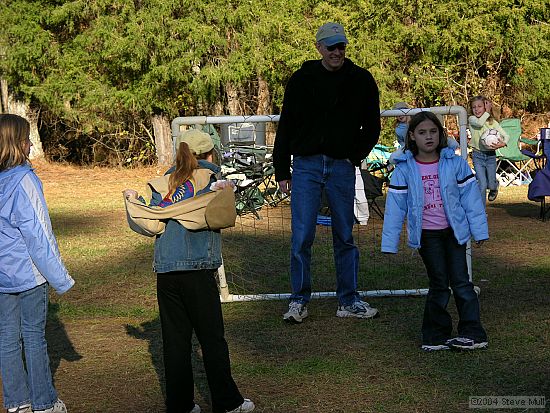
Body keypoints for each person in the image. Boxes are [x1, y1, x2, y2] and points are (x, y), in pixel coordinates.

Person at [123, 129, 254, 413]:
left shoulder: (163, 184)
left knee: (175, 341)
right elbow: (224, 217)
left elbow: (154, 225)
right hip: (197, 270)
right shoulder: (212, 181)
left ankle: (180, 404)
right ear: (210, 154)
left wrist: (132, 201)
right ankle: (228, 402)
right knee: (211, 338)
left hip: (166, 272)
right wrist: (225, 193)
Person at [273, 22, 381, 323]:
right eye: (331, 46)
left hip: (341, 167)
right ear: (319, 47)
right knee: (302, 235)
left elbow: (372, 126)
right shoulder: (301, 79)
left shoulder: (361, 80)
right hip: (305, 165)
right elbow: (286, 128)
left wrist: (352, 156)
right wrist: (282, 169)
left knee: (345, 235)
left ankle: (348, 300)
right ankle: (298, 301)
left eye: (341, 46)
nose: (337, 51)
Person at [381, 111, 489, 351]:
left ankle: (473, 333)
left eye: (433, 131)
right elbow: (395, 209)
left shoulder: (456, 163)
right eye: (422, 133)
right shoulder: (404, 169)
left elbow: (471, 200)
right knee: (439, 283)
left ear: (440, 134)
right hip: (427, 237)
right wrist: (389, 243)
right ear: (412, 137)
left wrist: (479, 231)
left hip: (454, 233)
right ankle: (435, 335)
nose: (428, 137)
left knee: (462, 283)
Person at [0, 114, 74, 413]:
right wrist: (60, 278)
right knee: (32, 337)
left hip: (3, 276)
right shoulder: (25, 180)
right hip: (30, 275)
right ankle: (43, 403)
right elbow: (38, 234)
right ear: (17, 144)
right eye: (27, 138)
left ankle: (18, 402)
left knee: (6, 339)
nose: (31, 143)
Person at [468, 95, 509, 202]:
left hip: (490, 157)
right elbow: (480, 122)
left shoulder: (492, 123)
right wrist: (487, 111)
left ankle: (494, 187)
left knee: (491, 184)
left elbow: (506, 136)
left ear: (485, 107)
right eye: (474, 107)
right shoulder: (472, 119)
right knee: (482, 184)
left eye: (480, 106)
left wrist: (503, 143)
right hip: (477, 155)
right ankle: (482, 212)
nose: (476, 109)